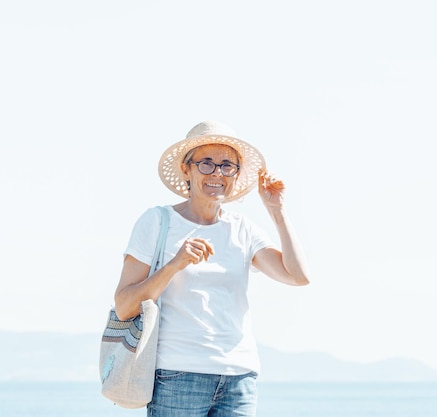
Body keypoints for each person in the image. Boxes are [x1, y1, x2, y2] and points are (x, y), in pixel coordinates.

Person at [113, 120, 310, 417]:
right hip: (177, 375)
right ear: (186, 169)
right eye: (206, 163)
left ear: (236, 174)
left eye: (227, 165)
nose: (217, 173)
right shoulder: (157, 222)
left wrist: (277, 212)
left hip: (239, 379)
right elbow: (124, 305)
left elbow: (297, 276)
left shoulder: (242, 229)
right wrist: (174, 265)